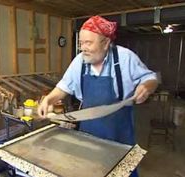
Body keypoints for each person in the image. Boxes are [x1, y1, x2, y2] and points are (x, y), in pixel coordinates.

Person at [38, 15, 158, 177]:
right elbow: (64, 86)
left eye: (88, 43)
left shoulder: (125, 58)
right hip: (89, 138)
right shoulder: (79, 61)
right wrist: (49, 99)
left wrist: (147, 87)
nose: (83, 48)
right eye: (81, 43)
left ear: (106, 43)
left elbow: (151, 78)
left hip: (119, 138)